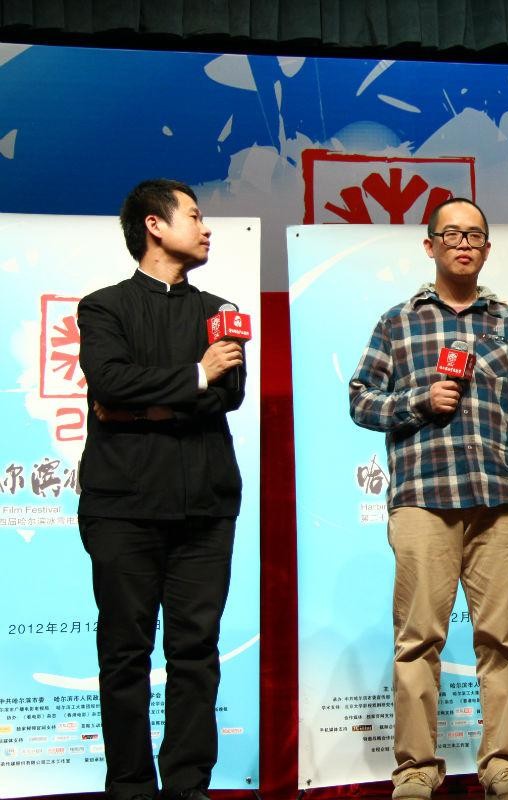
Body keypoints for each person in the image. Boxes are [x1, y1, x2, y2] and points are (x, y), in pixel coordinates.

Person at [348, 198, 508, 800]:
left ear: (487, 249)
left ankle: (502, 765)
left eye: (474, 236)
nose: (463, 244)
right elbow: (361, 400)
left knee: (504, 640)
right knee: (418, 639)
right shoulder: (398, 323)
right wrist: (419, 400)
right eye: (452, 234)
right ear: (430, 245)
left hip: (498, 501)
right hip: (423, 498)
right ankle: (416, 769)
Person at [77, 178, 246, 800]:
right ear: (154, 224)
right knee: (125, 652)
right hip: (121, 508)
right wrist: (195, 375)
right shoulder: (103, 308)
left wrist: (144, 405)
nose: (206, 228)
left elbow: (229, 393)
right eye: (195, 216)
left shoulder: (220, 310)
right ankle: (128, 788)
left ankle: (187, 786)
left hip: (206, 506)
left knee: (195, 651)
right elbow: (109, 383)